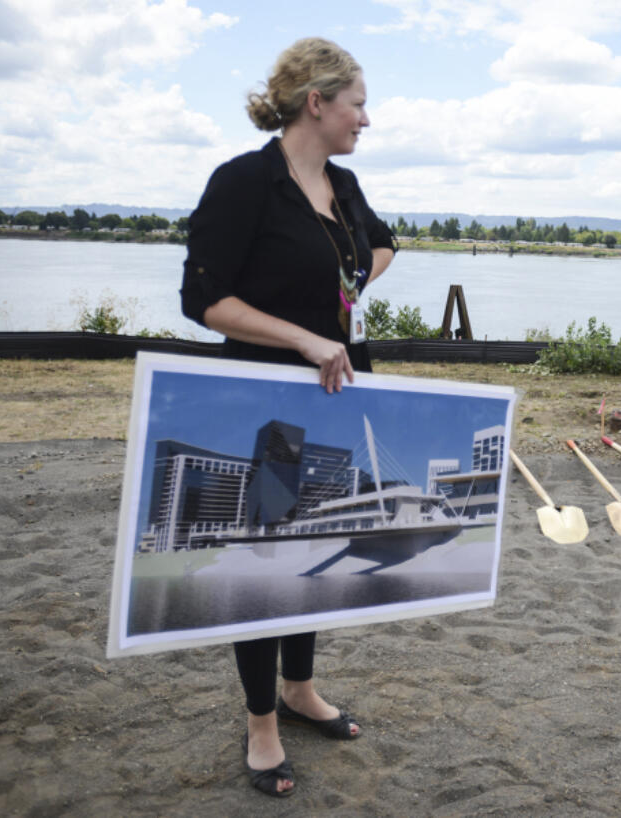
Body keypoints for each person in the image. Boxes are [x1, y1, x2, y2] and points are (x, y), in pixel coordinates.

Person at [180, 37, 396, 797]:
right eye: (358, 104)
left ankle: (301, 689)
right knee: (266, 558)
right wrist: (306, 333)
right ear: (318, 103)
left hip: (337, 392)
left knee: (319, 544)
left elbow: (383, 245)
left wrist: (341, 291)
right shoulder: (245, 183)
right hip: (268, 401)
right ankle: (262, 723)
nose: (365, 119)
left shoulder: (343, 184)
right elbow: (202, 300)